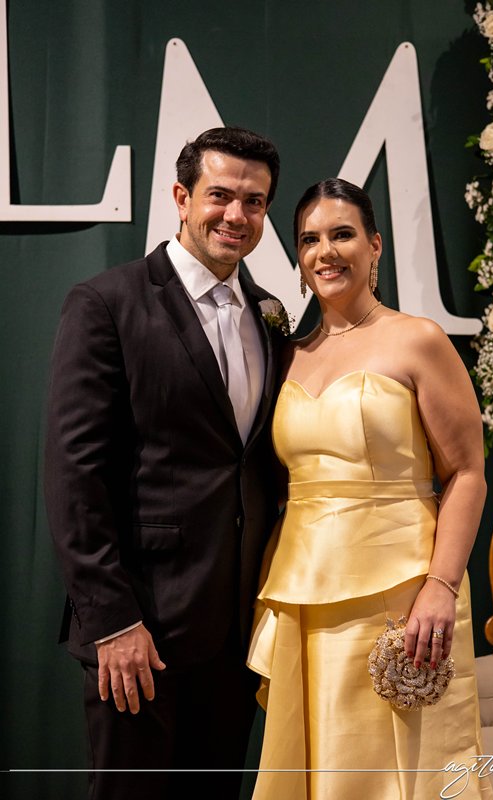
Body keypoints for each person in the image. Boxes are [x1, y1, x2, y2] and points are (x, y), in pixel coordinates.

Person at [44, 126, 286, 800]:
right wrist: (112, 622)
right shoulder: (106, 303)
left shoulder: (269, 313)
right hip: (140, 631)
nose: (236, 215)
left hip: (236, 634)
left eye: (255, 202)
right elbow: (74, 476)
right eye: (220, 195)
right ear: (181, 198)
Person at [247, 178, 493, 799]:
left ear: (375, 245)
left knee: (405, 771)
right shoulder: (287, 355)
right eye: (310, 240)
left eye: (342, 234)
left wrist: (441, 586)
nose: (325, 251)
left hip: (405, 593)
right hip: (305, 589)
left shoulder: (419, 339)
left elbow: (466, 472)